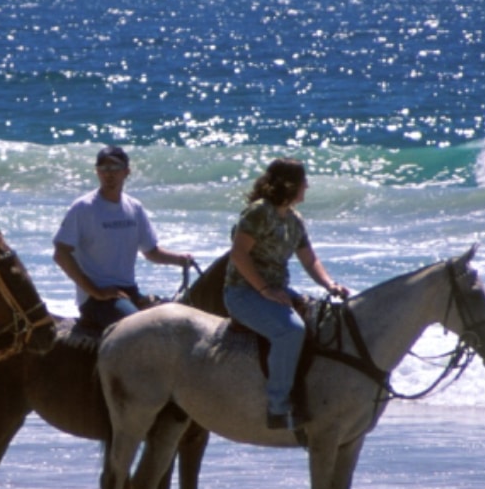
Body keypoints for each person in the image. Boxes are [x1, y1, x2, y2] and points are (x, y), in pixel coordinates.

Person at [223, 158, 351, 430]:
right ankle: (278, 406)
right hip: (243, 292)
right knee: (290, 331)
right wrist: (265, 289)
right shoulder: (258, 212)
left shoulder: (294, 220)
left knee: (320, 319)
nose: (307, 186)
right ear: (290, 184)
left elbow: (309, 259)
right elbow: (238, 254)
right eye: (304, 181)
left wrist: (330, 284)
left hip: (275, 290)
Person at [53, 145, 194, 333]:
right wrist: (96, 291)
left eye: (114, 168)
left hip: (129, 292)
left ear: (126, 172)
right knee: (142, 331)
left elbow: (151, 252)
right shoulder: (83, 208)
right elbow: (61, 253)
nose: (108, 174)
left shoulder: (134, 207)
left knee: (176, 322)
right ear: (97, 172)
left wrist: (180, 259)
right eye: (103, 169)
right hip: (96, 300)